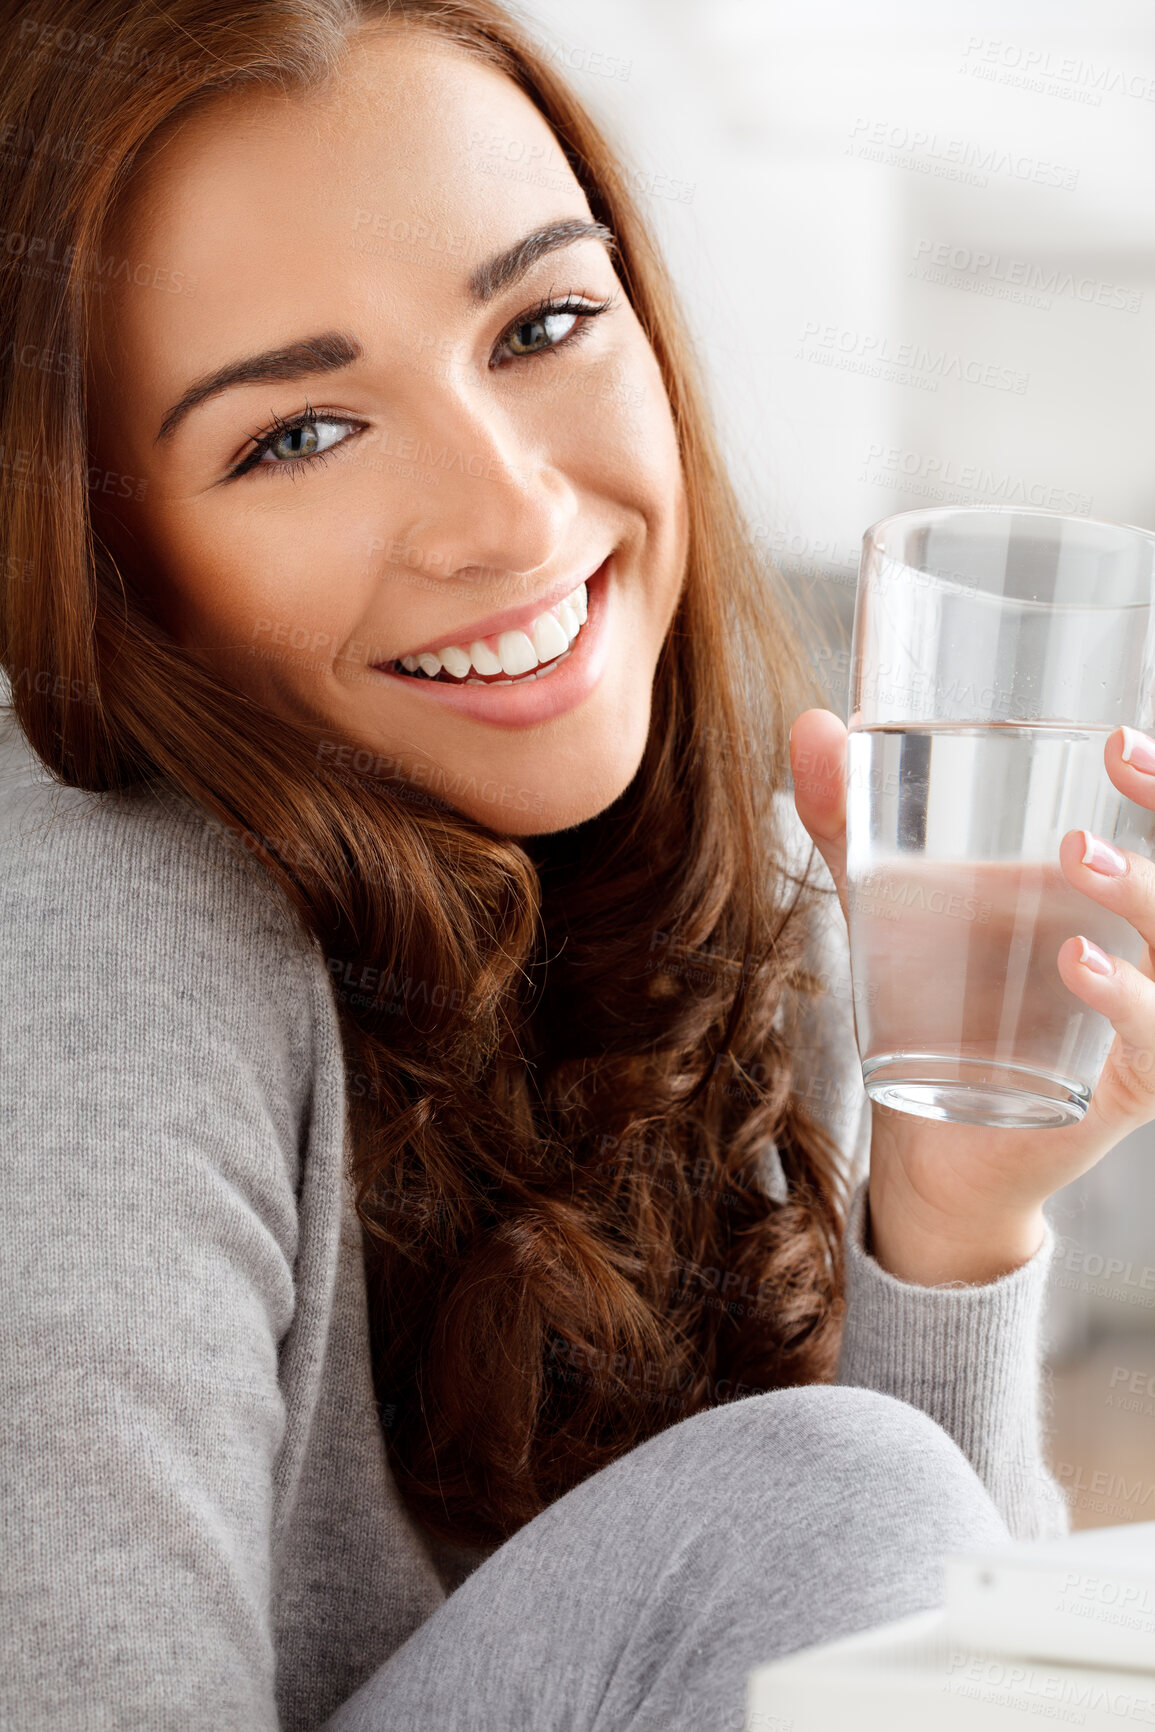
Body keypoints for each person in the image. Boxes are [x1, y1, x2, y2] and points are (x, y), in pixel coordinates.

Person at [8, 2, 1155, 1727]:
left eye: (543, 320)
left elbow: (899, 1659)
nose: (516, 517)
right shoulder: (91, 927)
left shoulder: (730, 869)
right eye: (298, 434)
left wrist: (941, 1228)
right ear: (106, 554)